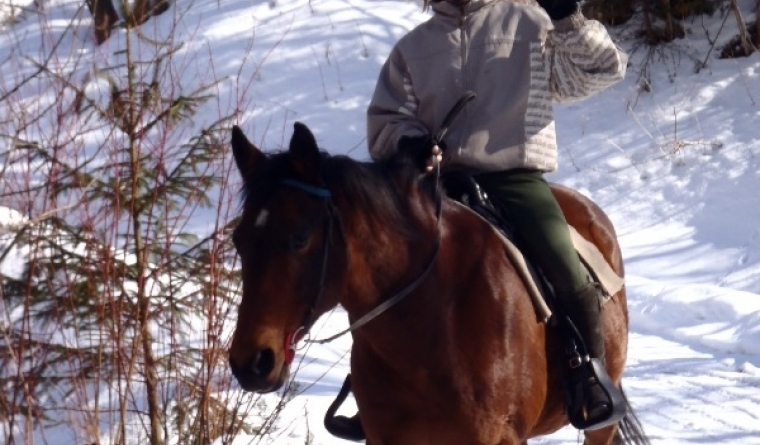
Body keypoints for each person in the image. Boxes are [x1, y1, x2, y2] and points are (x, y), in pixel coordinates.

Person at [365, 0, 628, 430]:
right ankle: (375, 389)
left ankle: (588, 378)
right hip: (436, 187)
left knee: (565, 267)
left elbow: (600, 69)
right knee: (383, 277)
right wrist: (409, 143)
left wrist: (568, 19)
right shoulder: (414, 47)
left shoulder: (530, 23)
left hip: (514, 178)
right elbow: (388, 119)